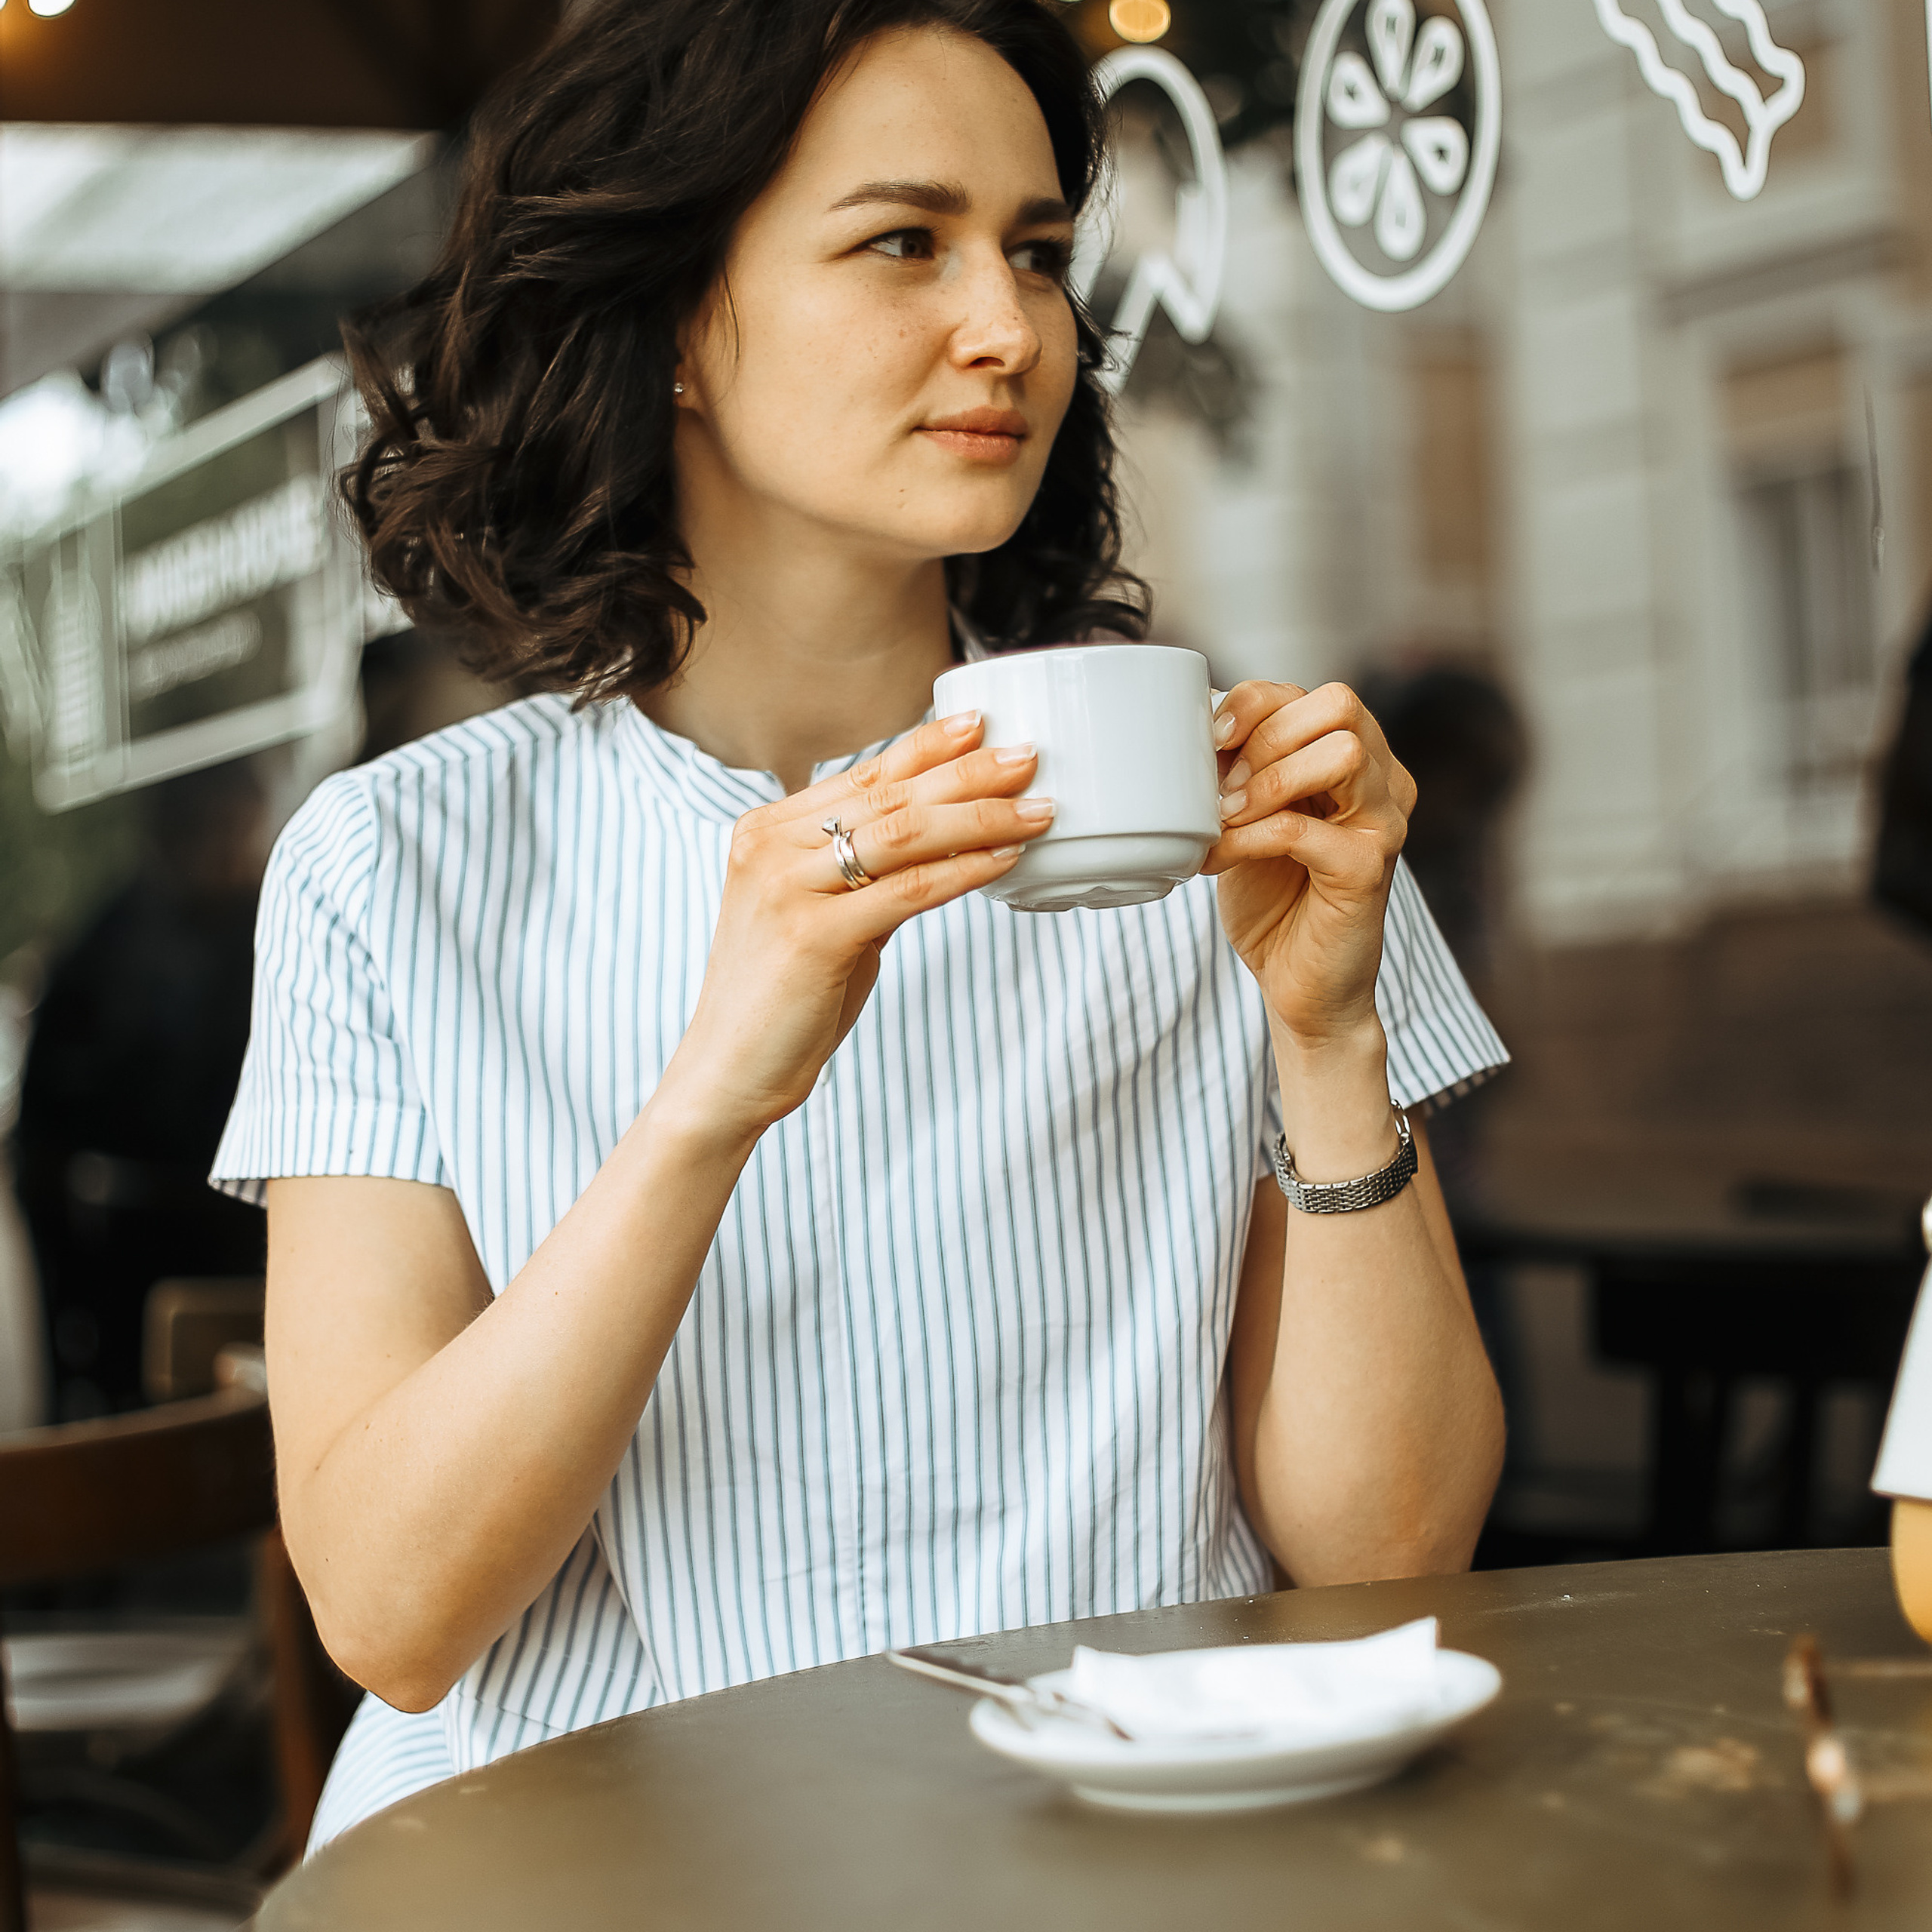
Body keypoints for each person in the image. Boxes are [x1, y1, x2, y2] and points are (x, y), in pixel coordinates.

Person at [211, 0, 1508, 1849]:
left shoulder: (1209, 806)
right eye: (904, 240)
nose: (1011, 327)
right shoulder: (397, 862)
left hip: (1133, 1849)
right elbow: (392, 1616)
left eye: (1041, 253)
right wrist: (708, 1096)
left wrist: (1321, 1035)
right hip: (585, 1870)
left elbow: (1384, 1552)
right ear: (672, 316)